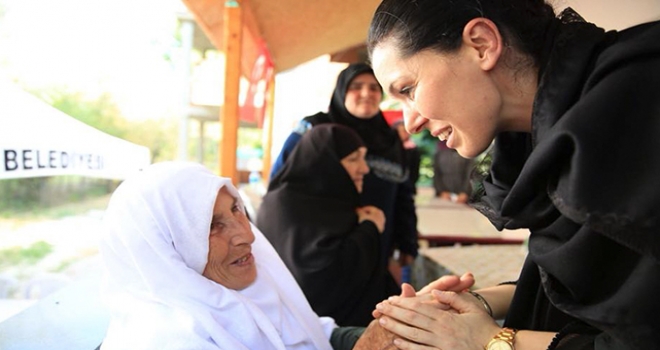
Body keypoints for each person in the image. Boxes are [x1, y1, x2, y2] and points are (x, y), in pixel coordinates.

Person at [366, 0, 660, 349]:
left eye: (408, 90)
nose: (411, 122)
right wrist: (474, 303)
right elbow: (579, 287)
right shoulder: (532, 149)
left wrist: (493, 341)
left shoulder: (641, 102)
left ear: (481, 44)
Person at [98, 161, 375, 349]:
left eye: (235, 210)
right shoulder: (165, 340)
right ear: (164, 252)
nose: (248, 236)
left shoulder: (245, 284)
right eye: (210, 226)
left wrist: (383, 333)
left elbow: (312, 332)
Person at [270, 62, 418, 282]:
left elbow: (403, 196)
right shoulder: (314, 130)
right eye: (356, 86)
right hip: (317, 253)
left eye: (374, 87)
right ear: (341, 90)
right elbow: (280, 182)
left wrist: (407, 244)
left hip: (375, 248)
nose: (366, 93)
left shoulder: (391, 140)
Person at [256, 124, 398, 327]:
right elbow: (317, 279)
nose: (365, 168)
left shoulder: (329, 201)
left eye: (363, 157)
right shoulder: (286, 205)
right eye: (353, 159)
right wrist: (370, 228)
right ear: (324, 163)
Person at [432, 139, 474, 203]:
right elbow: (436, 174)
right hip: (443, 196)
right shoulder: (440, 153)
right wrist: (441, 191)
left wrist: (465, 192)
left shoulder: (466, 153)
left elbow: (469, 174)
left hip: (462, 196)